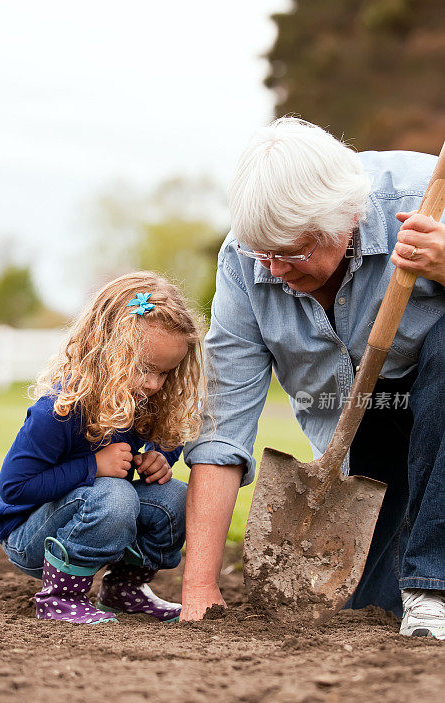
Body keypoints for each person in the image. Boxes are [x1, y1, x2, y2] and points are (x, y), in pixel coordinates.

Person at [181, 117, 445, 639]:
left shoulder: (424, 197)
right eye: (265, 253)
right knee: (373, 611)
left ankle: (433, 584)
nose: (275, 271)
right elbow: (223, 424)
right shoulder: (242, 260)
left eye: (293, 253)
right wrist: (199, 586)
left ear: (348, 217)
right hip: (360, 437)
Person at [0, 272, 205, 625]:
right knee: (113, 493)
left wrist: (159, 460)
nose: (153, 384)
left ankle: (124, 590)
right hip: (29, 537)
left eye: (165, 373)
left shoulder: (143, 400)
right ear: (105, 349)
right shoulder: (59, 409)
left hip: (96, 516)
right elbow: (15, 489)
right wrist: (92, 467)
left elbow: (167, 443)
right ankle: (60, 597)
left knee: (177, 497)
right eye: (143, 369)